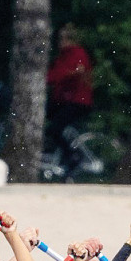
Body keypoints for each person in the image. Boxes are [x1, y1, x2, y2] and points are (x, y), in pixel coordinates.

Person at [46, 23, 94, 161]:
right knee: (48, 118)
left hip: (78, 101)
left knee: (55, 129)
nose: (60, 43)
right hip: (65, 99)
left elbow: (75, 72)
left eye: (63, 39)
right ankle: (56, 153)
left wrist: (57, 77)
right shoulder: (63, 55)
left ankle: (71, 157)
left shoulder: (77, 53)